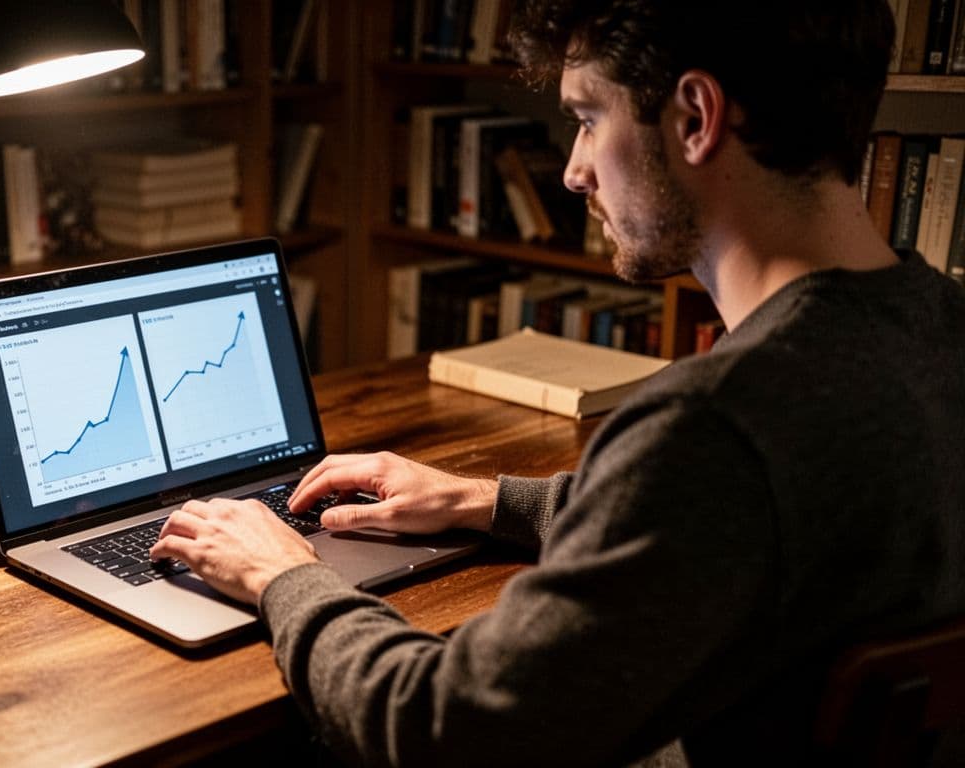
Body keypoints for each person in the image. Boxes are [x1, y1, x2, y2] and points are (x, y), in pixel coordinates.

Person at [150, 1, 965, 764]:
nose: (574, 171)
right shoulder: (938, 328)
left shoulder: (716, 425)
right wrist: (481, 501)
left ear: (696, 118)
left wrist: (282, 574)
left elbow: (436, 728)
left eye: (587, 119)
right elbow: (724, 523)